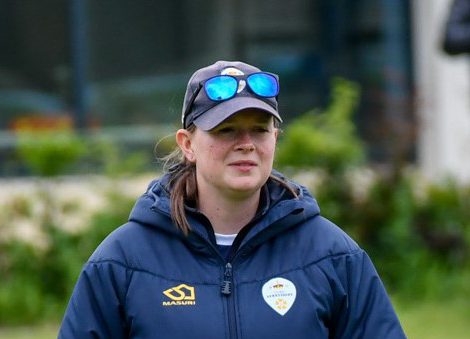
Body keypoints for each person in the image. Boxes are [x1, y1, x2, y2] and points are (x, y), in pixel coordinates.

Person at [58, 60, 406, 338]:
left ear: (275, 139)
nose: (246, 144)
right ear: (187, 144)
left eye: (259, 129)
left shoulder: (332, 256)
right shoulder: (121, 263)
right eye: (225, 130)